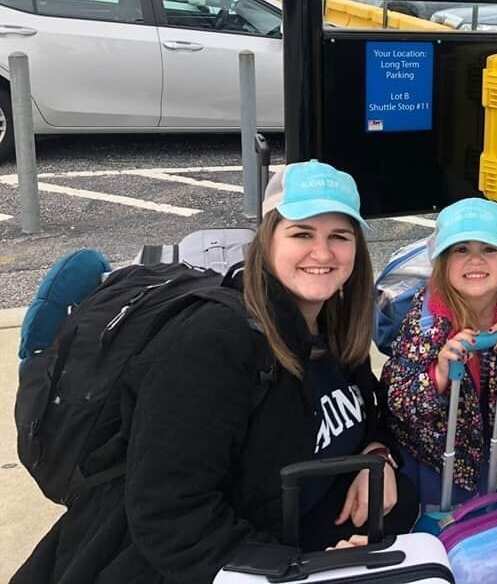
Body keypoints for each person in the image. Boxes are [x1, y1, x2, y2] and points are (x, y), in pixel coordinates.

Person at [14, 160, 419, 584]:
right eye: (302, 233)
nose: (322, 253)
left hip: (294, 536)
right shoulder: (214, 344)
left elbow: (369, 412)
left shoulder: (332, 329)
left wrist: (377, 456)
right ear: (267, 242)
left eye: (339, 236)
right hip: (207, 563)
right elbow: (169, 514)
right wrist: (296, 571)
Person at [381, 197, 497, 506]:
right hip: (431, 453)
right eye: (461, 249)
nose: (476, 261)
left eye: (489, 249)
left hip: (489, 443)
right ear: (442, 262)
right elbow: (398, 399)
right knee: (439, 515)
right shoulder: (427, 322)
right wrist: (439, 372)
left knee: (477, 511)